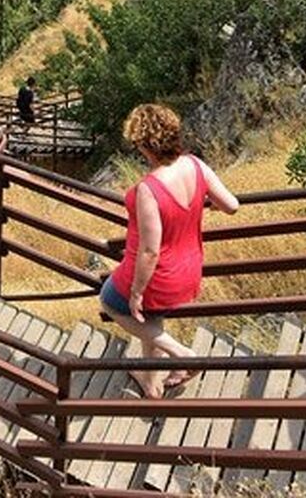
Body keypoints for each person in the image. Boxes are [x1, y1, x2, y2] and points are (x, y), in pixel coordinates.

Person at [98, 103, 239, 397]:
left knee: (110, 301)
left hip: (158, 275)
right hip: (188, 269)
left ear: (144, 146)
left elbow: (150, 251)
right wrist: (196, 204)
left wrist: (135, 292)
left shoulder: (148, 189)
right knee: (150, 317)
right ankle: (151, 383)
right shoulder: (196, 165)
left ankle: (182, 354)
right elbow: (231, 205)